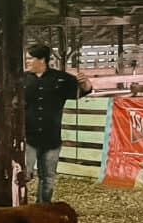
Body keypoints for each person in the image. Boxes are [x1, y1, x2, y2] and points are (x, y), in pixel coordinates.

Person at [23, 43, 92, 204]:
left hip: (51, 138)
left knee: (47, 176)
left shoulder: (62, 79)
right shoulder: (21, 79)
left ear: (42, 60)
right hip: (27, 137)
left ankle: (42, 208)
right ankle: (20, 205)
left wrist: (85, 82)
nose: (26, 62)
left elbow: (82, 91)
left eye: (29, 58)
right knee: (23, 174)